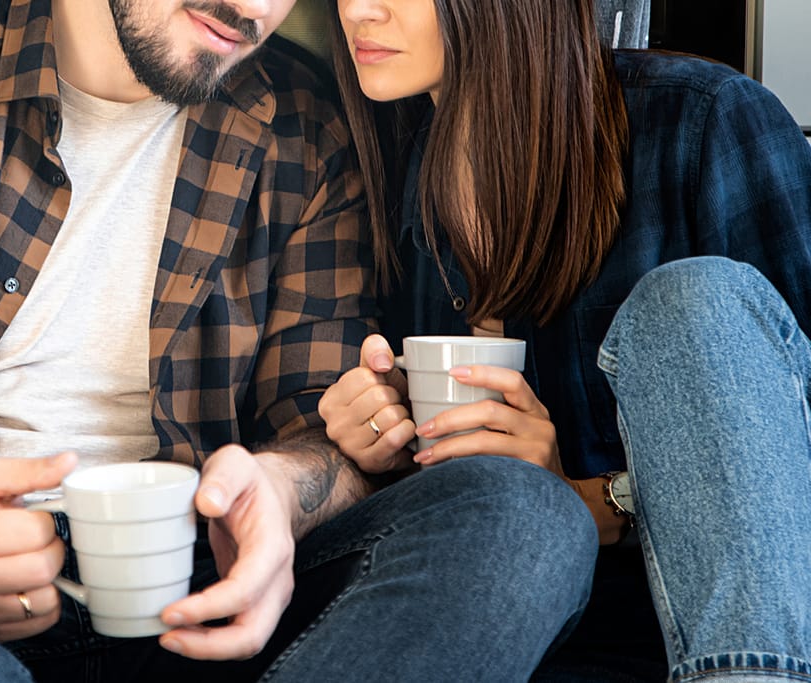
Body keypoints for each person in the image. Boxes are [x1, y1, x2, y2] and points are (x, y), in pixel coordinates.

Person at [0, 0, 602, 681]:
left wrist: (277, 489)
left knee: (523, 512)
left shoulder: (303, 124)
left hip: (206, 591)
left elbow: (320, 431)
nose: (252, 9)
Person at [317, 0, 811, 681]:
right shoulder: (385, 170)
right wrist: (384, 438)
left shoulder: (704, 122)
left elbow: (785, 452)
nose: (358, 10)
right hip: (520, 634)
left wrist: (604, 499)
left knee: (691, 298)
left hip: (717, 642)